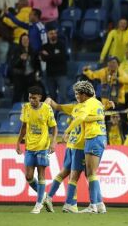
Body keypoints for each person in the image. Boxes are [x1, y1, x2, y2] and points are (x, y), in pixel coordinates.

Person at [43, 96, 104, 213]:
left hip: (70, 145)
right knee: (84, 175)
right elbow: (96, 113)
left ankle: (50, 197)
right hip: (80, 146)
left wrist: (49, 101)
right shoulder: (89, 108)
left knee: (64, 173)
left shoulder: (74, 107)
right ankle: (70, 203)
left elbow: (57, 106)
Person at [64, 81, 107, 214]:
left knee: (91, 173)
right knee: (91, 172)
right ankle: (99, 205)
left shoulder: (87, 104)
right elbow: (92, 117)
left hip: (93, 138)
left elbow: (81, 117)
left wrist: (67, 131)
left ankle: (93, 206)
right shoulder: (97, 102)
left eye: (78, 94)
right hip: (100, 137)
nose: (77, 97)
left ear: (84, 94)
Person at [16, 86, 58, 214]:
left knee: (41, 175)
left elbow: (54, 127)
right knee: (28, 176)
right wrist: (18, 142)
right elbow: (24, 126)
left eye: (34, 98)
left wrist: (53, 141)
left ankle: (38, 204)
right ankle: (44, 197)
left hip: (42, 147)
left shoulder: (46, 109)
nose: (31, 100)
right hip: (30, 146)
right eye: (29, 97)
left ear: (40, 97)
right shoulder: (26, 108)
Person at [9, 34, 41, 103]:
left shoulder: (33, 51)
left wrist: (37, 73)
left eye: (27, 39)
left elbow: (37, 64)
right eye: (24, 39)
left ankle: (28, 112)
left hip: (30, 77)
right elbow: (13, 64)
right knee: (17, 95)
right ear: (21, 41)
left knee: (29, 96)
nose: (25, 41)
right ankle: (14, 111)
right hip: (19, 77)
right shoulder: (16, 50)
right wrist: (20, 59)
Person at [40, 27, 68, 103]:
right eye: (51, 33)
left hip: (61, 73)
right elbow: (43, 58)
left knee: (62, 96)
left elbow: (62, 58)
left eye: (55, 33)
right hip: (50, 74)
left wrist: (49, 56)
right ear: (48, 35)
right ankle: (53, 114)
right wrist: (55, 56)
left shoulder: (62, 45)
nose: (53, 35)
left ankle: (62, 113)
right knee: (52, 96)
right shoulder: (45, 46)